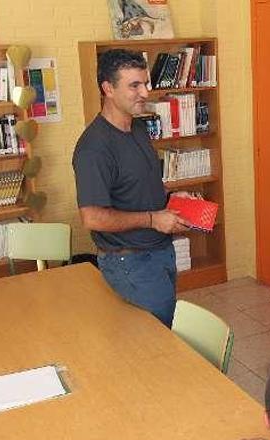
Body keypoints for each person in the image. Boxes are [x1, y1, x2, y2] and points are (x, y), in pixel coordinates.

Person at [72, 49, 193, 327]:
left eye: (146, 83)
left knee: (163, 329)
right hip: (131, 263)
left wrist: (172, 199)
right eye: (134, 85)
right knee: (155, 339)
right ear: (108, 89)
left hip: (159, 251)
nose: (145, 93)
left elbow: (139, 185)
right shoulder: (94, 148)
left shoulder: (138, 128)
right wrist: (153, 219)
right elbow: (92, 218)